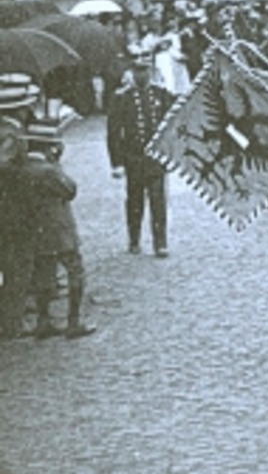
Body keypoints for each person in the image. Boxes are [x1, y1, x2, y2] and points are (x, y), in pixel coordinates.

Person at [19, 119, 93, 339]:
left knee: (42, 275)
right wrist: (57, 163)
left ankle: (44, 321)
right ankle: (73, 321)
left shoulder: (21, 169)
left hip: (35, 231)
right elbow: (70, 190)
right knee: (75, 271)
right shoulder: (48, 170)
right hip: (59, 230)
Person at [107, 51, 175, 256]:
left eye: (145, 70)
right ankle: (134, 239)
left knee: (158, 201)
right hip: (133, 158)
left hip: (155, 158)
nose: (141, 75)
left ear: (151, 71)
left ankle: (160, 243)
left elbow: (175, 119)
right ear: (131, 72)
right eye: (137, 70)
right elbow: (113, 133)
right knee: (135, 201)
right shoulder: (122, 98)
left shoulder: (161, 94)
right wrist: (117, 163)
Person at [0, 74, 39, 338]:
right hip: (13, 207)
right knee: (17, 264)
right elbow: (4, 165)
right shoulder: (11, 134)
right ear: (20, 109)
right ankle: (12, 322)